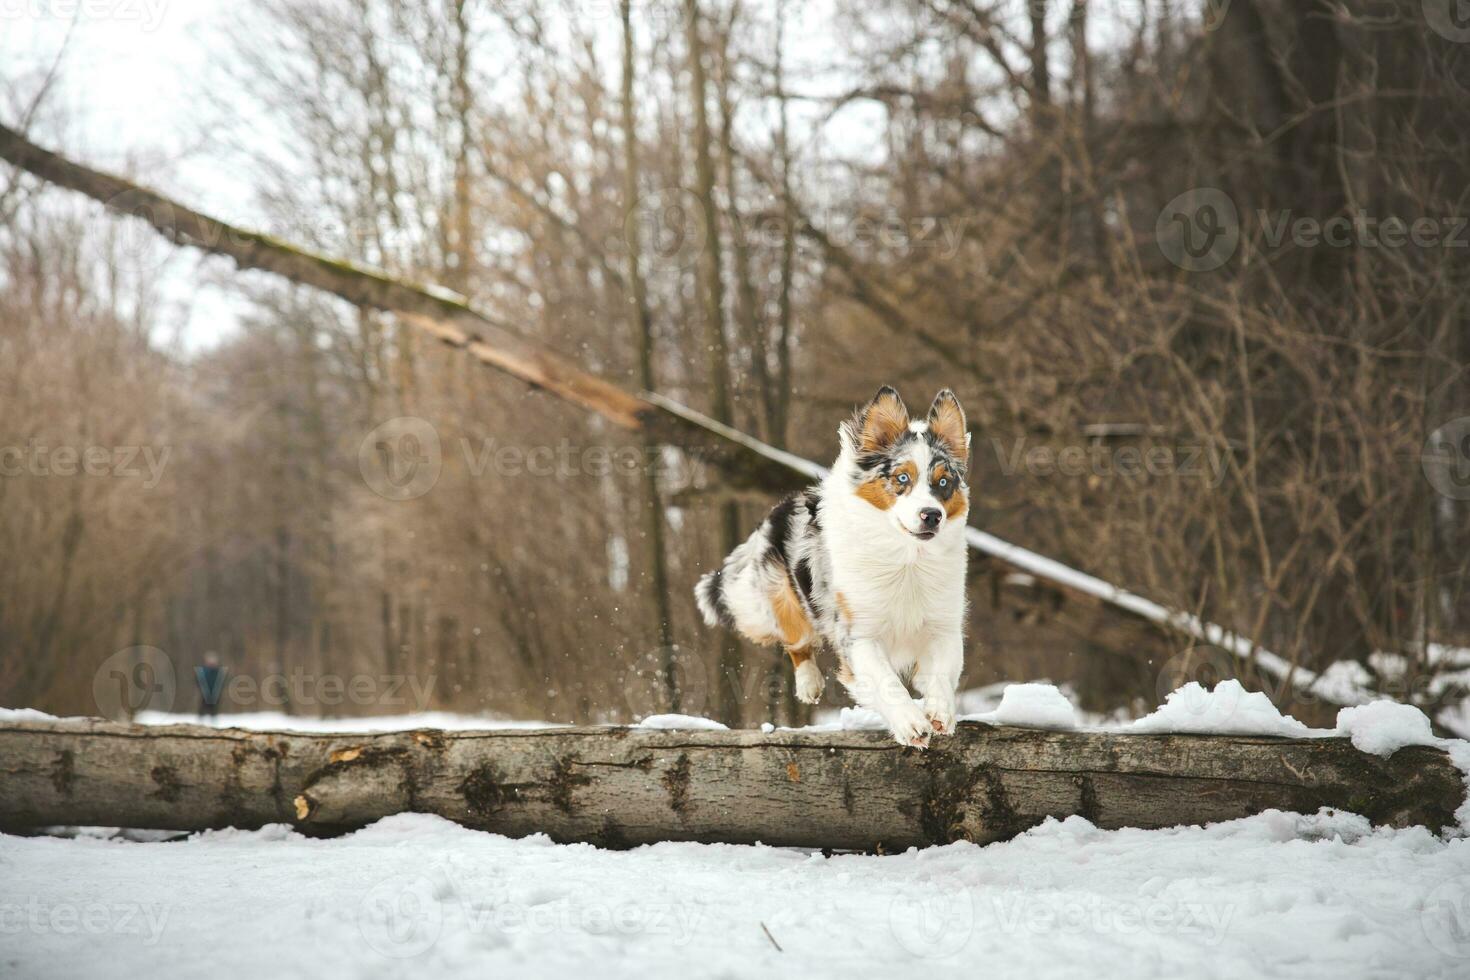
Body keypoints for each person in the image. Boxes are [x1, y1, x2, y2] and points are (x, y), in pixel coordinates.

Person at [196, 652, 225, 721]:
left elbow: (222, 682)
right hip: (205, 693)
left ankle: (214, 722)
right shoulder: (203, 672)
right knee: (203, 708)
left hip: (215, 693)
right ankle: (200, 721)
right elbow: (198, 681)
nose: (211, 663)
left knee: (214, 709)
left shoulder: (218, 672)